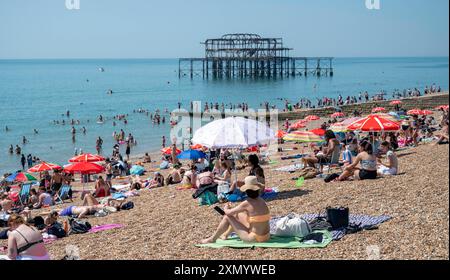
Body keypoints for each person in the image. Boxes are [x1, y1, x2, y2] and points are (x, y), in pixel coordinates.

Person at [200, 176, 270, 244]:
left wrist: (226, 207)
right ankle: (225, 234)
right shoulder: (261, 201)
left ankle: (212, 239)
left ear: (246, 191)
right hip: (266, 237)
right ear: (257, 189)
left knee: (227, 217)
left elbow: (228, 213)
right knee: (239, 214)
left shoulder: (247, 203)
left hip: (254, 238)